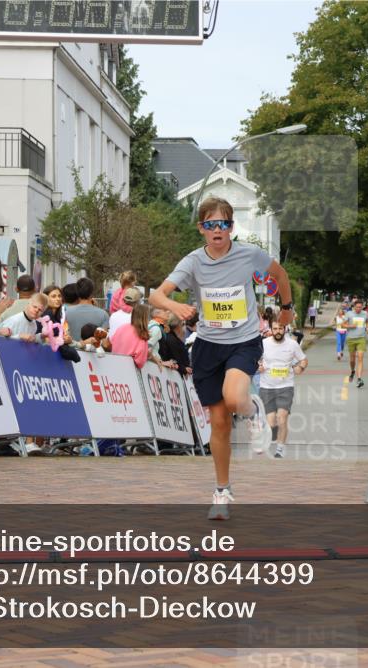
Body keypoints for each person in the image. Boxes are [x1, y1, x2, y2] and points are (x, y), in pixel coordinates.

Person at [149, 196, 292, 521]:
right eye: (211, 224)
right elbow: (156, 295)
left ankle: (253, 410)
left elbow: (280, 275)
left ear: (231, 227)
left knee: (234, 397)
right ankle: (222, 490)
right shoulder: (193, 262)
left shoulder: (249, 254)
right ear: (201, 228)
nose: (218, 230)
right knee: (219, 423)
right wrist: (174, 306)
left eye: (224, 224)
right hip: (208, 346)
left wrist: (286, 309)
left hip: (243, 342)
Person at [257, 322, 308, 458]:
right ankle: (272, 434)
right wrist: (257, 366)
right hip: (266, 387)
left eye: (280, 328)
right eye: (275, 329)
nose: (278, 331)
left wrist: (300, 368)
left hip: (286, 387)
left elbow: (304, 360)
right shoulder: (263, 344)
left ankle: (280, 448)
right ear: (271, 330)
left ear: (285, 329)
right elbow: (253, 360)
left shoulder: (292, 344)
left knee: (282, 418)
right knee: (271, 422)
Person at [110, 303, 159, 368]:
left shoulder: (122, 327)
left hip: (114, 364)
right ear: (146, 318)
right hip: (128, 369)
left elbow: (112, 343)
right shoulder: (142, 335)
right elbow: (140, 362)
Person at [345, 299, 368, 387]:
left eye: (360, 307)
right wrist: (351, 326)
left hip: (361, 338)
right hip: (351, 339)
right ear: (354, 307)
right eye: (357, 307)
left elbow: (367, 322)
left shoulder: (365, 313)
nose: (359, 309)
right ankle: (352, 371)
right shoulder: (349, 314)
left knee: (360, 358)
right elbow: (342, 325)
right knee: (352, 360)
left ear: (362, 307)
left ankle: (359, 379)